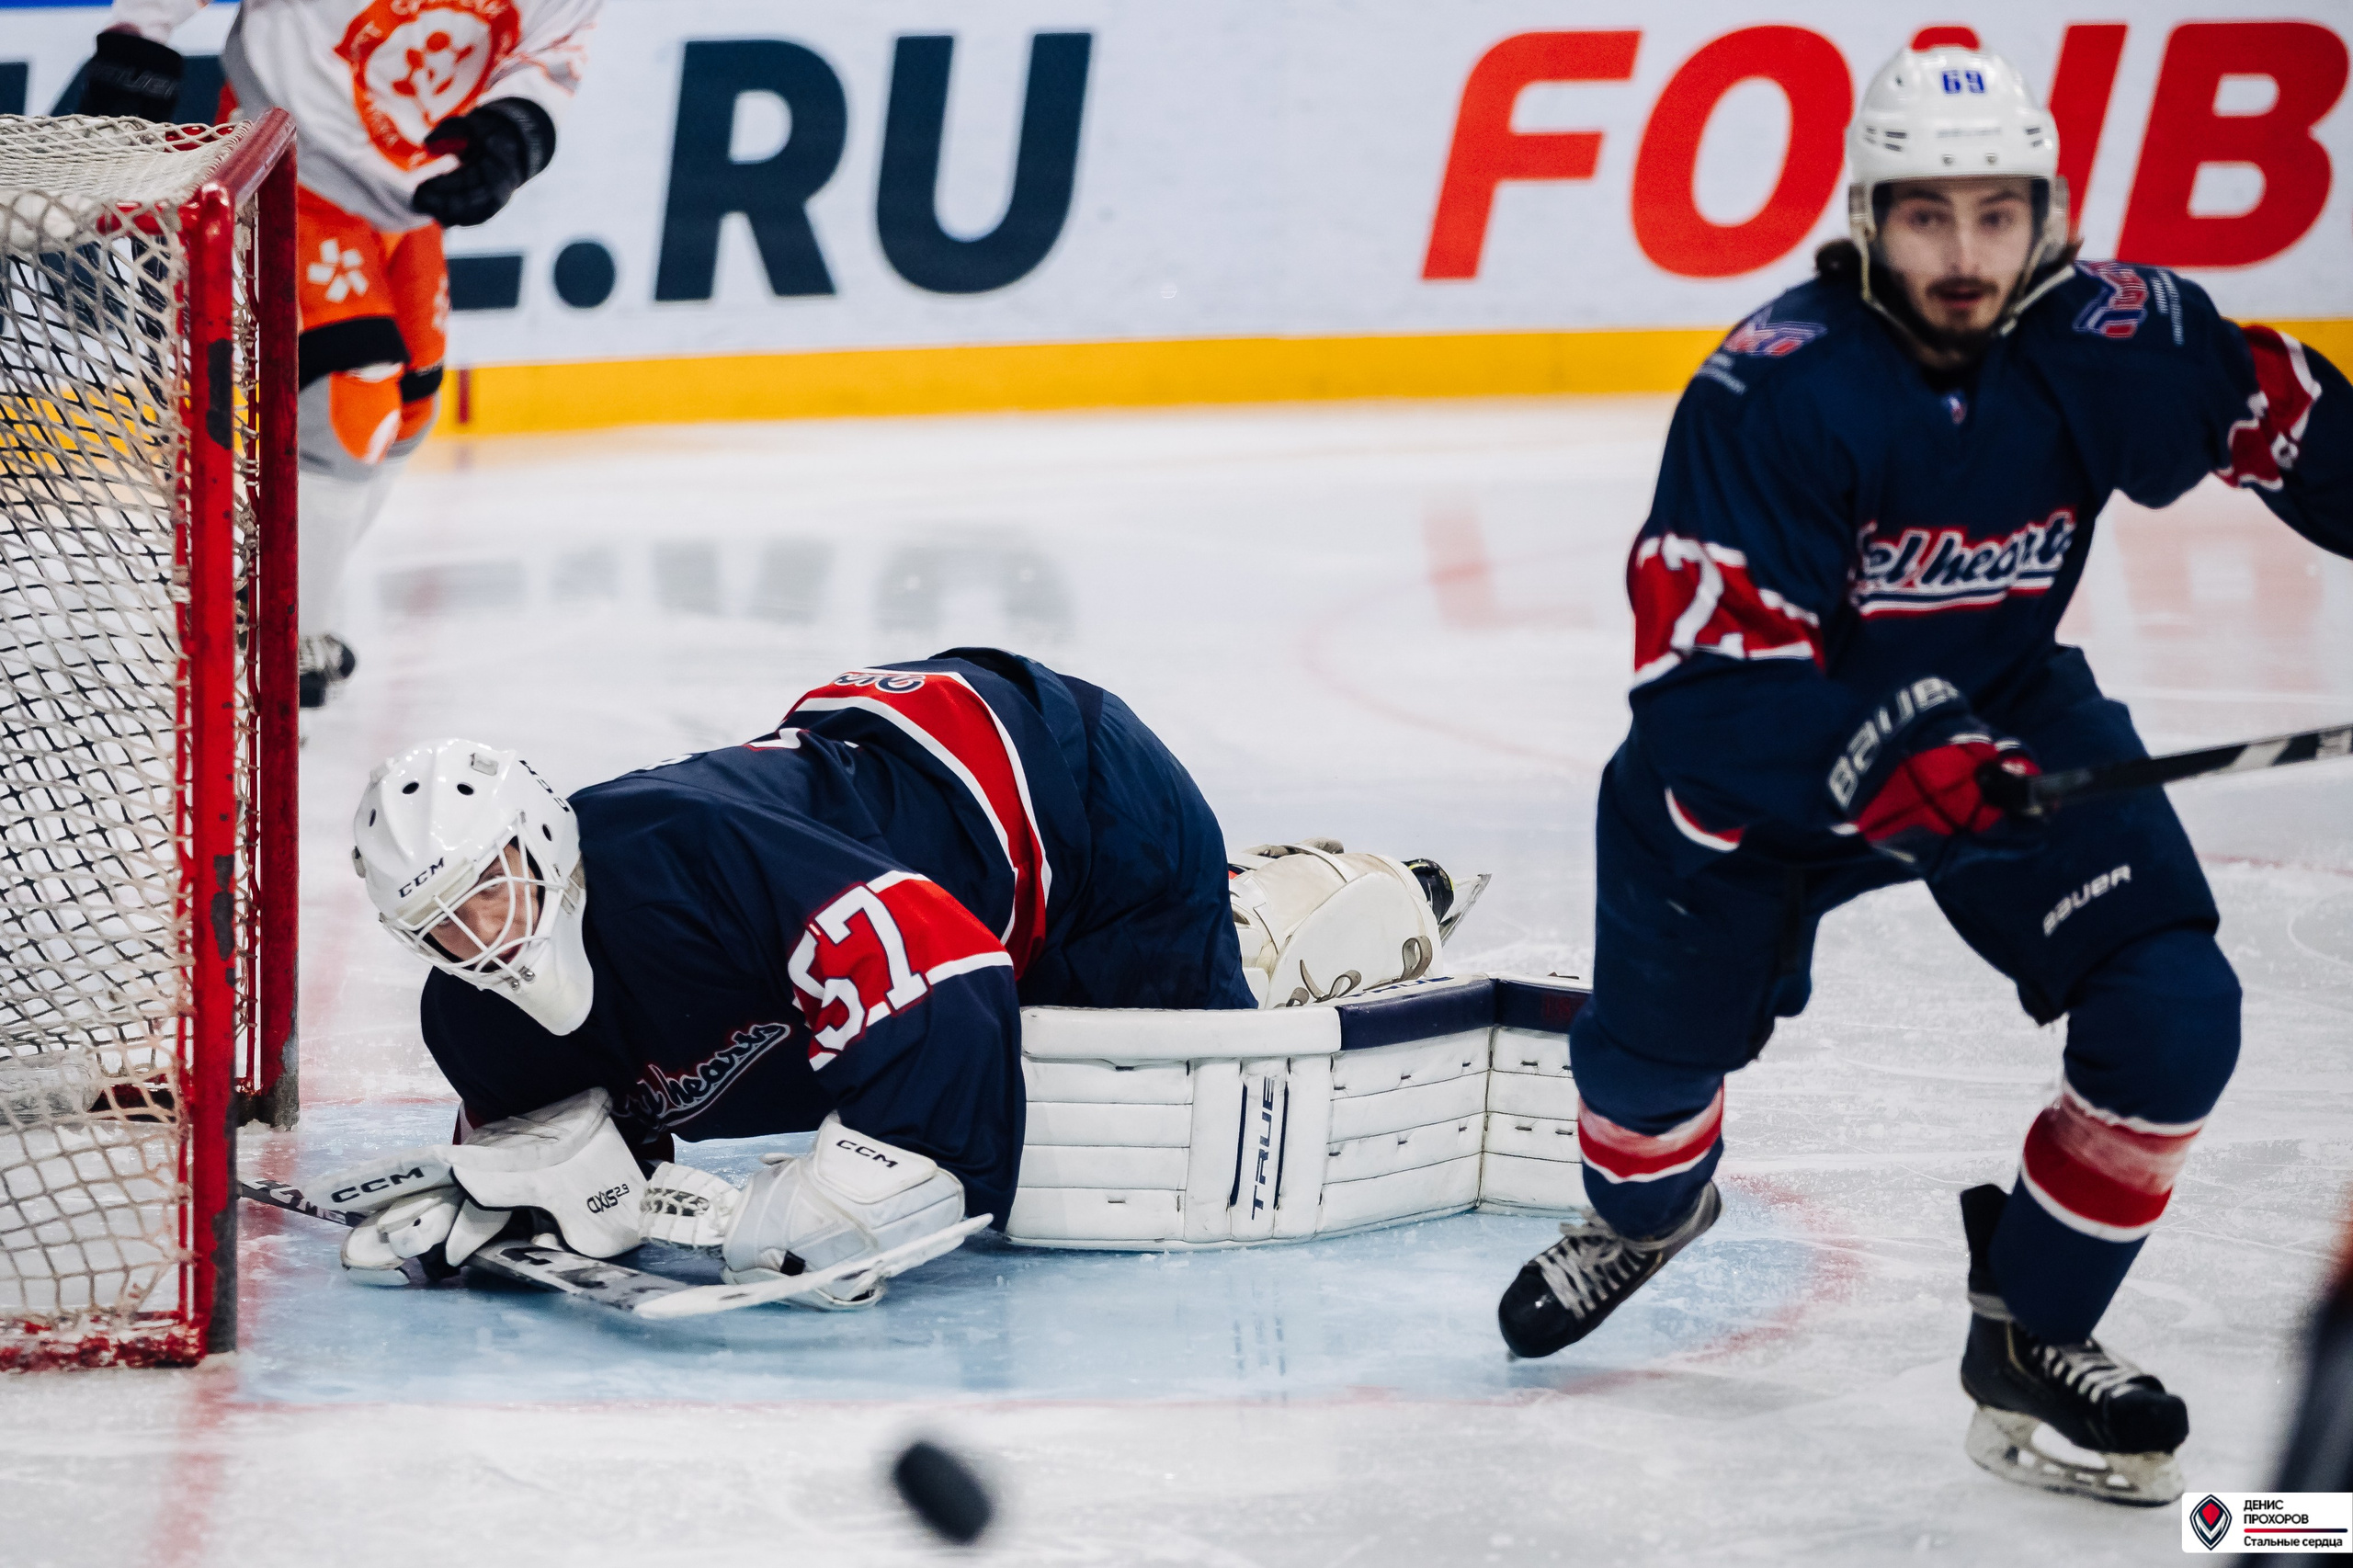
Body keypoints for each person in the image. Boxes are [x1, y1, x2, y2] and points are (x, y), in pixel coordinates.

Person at [1494, 40, 2352, 1506]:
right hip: (1754, 778)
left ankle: (2032, 1326)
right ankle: (1649, 1214)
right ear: (1865, 217)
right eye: (1926, 216)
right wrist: (1884, 751)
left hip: (2002, 720)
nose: (1965, 254)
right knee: (1641, 1103)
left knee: (2174, 1012)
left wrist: (1948, 743)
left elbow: (2295, 427)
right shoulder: (1773, 389)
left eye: (1996, 214)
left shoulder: (2119, 339)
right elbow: (1696, 688)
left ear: (2049, 213)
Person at [342, 650, 1456, 1303]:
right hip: (912, 822)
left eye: (495, 886)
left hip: (1068, 795)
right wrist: (517, 1184)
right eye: (442, 922)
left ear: (547, 839)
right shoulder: (483, 1023)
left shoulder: (685, 863)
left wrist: (862, 1192)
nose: (484, 934)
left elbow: (948, 972)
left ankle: (1287, 910)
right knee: (1031, 1069)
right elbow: (586, 1162)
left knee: (1164, 1103)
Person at [79, 0, 600, 706]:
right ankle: (285, 634)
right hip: (289, 157)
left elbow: (553, 44)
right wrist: (142, 35)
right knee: (350, 406)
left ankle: (275, 596)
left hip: (411, 191)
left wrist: (516, 129)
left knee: (411, 412)